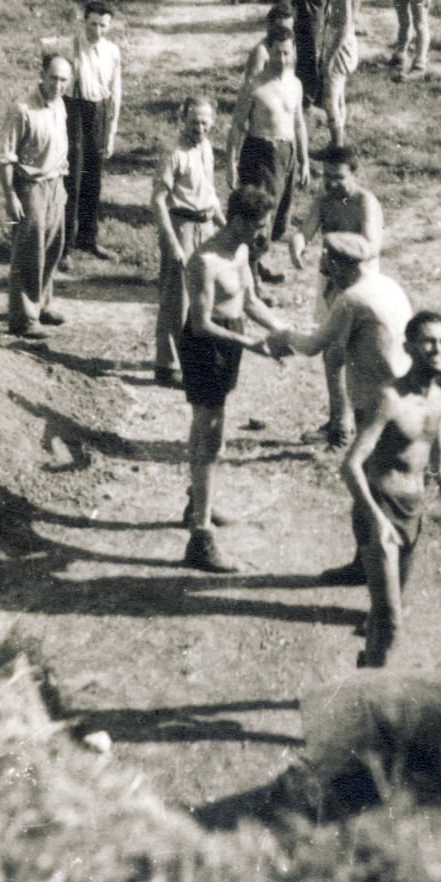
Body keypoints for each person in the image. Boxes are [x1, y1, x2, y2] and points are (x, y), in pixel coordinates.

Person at [341, 311, 441, 668]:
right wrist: (376, 520)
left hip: (412, 515)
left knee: (384, 615)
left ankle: (366, 676)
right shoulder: (389, 398)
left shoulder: (437, 400)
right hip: (381, 512)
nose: (438, 349)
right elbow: (350, 465)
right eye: (428, 341)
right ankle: (372, 696)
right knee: (392, 621)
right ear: (408, 346)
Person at [270, 233, 413, 581]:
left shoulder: (352, 299)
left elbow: (312, 346)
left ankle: (387, 599)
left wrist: (282, 336)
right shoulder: (387, 286)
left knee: (382, 499)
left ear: (336, 265)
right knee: (373, 492)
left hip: (379, 408)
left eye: (327, 264)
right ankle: (362, 566)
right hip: (404, 398)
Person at [180, 186, 290, 572]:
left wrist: (282, 330)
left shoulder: (242, 251)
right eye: (258, 225)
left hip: (229, 342)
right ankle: (200, 538)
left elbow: (248, 301)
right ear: (239, 220)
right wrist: (252, 343)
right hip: (205, 346)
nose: (263, 233)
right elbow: (200, 323)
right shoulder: (204, 261)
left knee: (210, 428)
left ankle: (197, 503)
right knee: (210, 434)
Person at [290, 147, 384, 447]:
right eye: (326, 177)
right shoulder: (323, 201)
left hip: (358, 285)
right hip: (331, 281)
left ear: (355, 173)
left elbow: (371, 246)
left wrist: (337, 247)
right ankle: (338, 422)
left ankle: (353, 426)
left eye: (339, 177)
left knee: (353, 354)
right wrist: (297, 243)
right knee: (332, 353)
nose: (332, 183)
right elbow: (304, 230)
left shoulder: (365, 202)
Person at [151, 96, 225, 389]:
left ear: (213, 123)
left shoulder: (206, 148)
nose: (200, 128)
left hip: (205, 226)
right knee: (176, 298)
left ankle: (193, 360)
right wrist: (173, 242)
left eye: (205, 122)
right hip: (181, 226)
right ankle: (167, 364)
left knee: (202, 295)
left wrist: (223, 223)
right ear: (183, 119)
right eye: (194, 121)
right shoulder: (174, 153)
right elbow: (157, 200)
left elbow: (210, 192)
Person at [226, 28, 310, 280]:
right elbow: (237, 125)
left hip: (288, 154)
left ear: (293, 51)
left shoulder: (295, 83)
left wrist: (304, 161)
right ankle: (250, 279)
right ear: (268, 51)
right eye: (276, 53)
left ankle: (254, 266)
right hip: (261, 152)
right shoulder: (254, 85)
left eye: (286, 53)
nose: (282, 60)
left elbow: (299, 124)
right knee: (259, 216)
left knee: (279, 219)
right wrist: (230, 163)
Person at [0, 52, 71, 339]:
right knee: (30, 252)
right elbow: (5, 158)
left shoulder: (60, 104)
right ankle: (23, 319)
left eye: (64, 79)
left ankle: (42, 304)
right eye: (53, 78)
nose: (58, 85)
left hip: (56, 184)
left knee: (52, 247)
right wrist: (10, 197)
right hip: (30, 187)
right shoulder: (22, 109)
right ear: (42, 76)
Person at [61, 0, 121, 267]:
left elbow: (115, 94)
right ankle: (63, 247)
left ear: (109, 26)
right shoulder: (70, 48)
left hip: (98, 114)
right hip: (72, 112)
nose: (97, 30)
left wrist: (110, 132)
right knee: (71, 179)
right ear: (83, 22)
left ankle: (88, 238)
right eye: (92, 24)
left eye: (102, 25)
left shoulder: (112, 51)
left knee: (92, 180)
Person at [319, 0, 365, 147]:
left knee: (329, 99)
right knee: (339, 96)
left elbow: (345, 23)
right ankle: (337, 141)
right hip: (349, 40)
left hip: (340, 40)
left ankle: (337, 144)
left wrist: (330, 55)